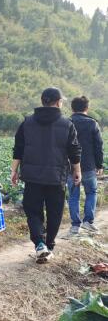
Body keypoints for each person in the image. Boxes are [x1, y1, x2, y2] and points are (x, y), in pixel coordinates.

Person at [11, 87, 82, 263]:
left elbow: (18, 148)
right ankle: (49, 245)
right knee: (55, 212)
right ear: (58, 102)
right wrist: (77, 171)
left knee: (33, 211)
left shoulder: (27, 122)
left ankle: (40, 244)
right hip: (56, 177)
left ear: (43, 101)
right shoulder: (67, 124)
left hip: (32, 177)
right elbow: (74, 150)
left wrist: (14, 170)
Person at [66, 96, 104, 236]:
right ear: (87, 108)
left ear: (72, 108)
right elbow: (98, 146)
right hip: (89, 166)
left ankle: (75, 225)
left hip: (70, 167)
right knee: (91, 192)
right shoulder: (92, 123)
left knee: (73, 196)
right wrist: (99, 164)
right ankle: (88, 221)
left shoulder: (67, 122)